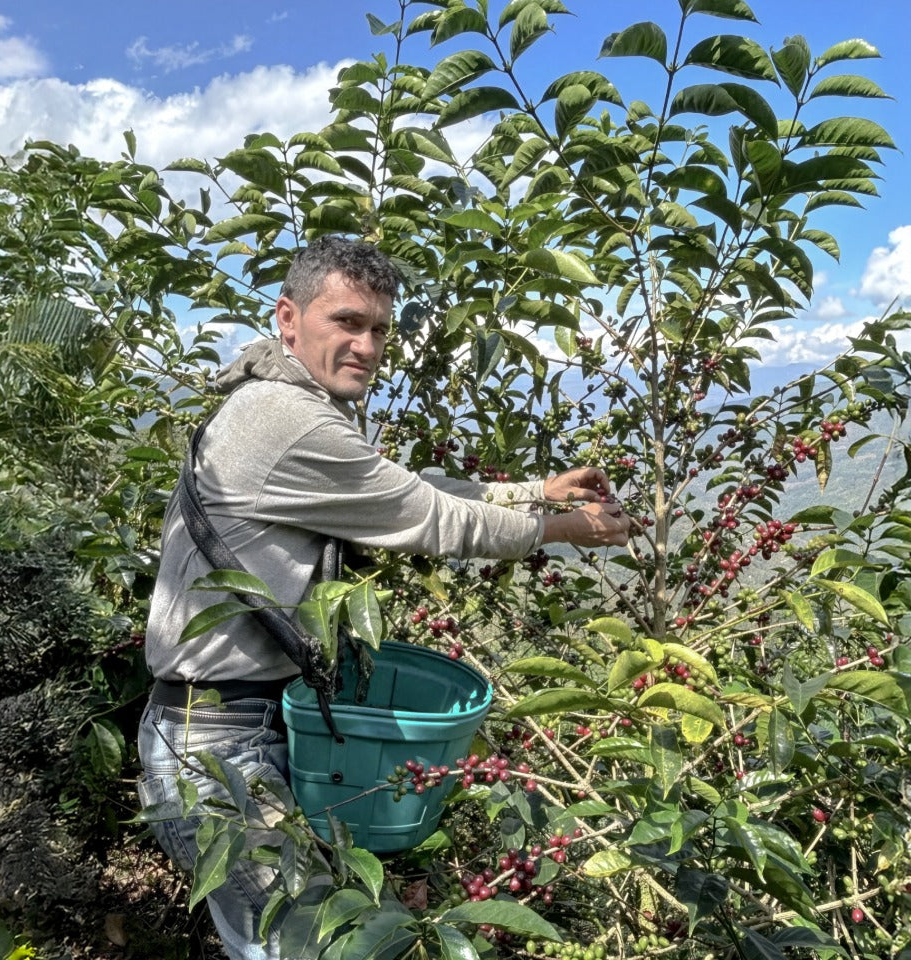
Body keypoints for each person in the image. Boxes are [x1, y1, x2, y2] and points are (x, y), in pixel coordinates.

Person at [136, 235, 630, 960]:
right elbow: (430, 519)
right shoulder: (284, 418)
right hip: (211, 743)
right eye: (346, 322)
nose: (366, 346)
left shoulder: (293, 404)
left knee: (292, 936)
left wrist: (536, 491)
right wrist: (562, 527)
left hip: (245, 723)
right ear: (288, 318)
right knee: (299, 947)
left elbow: (404, 490)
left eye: (379, 330)